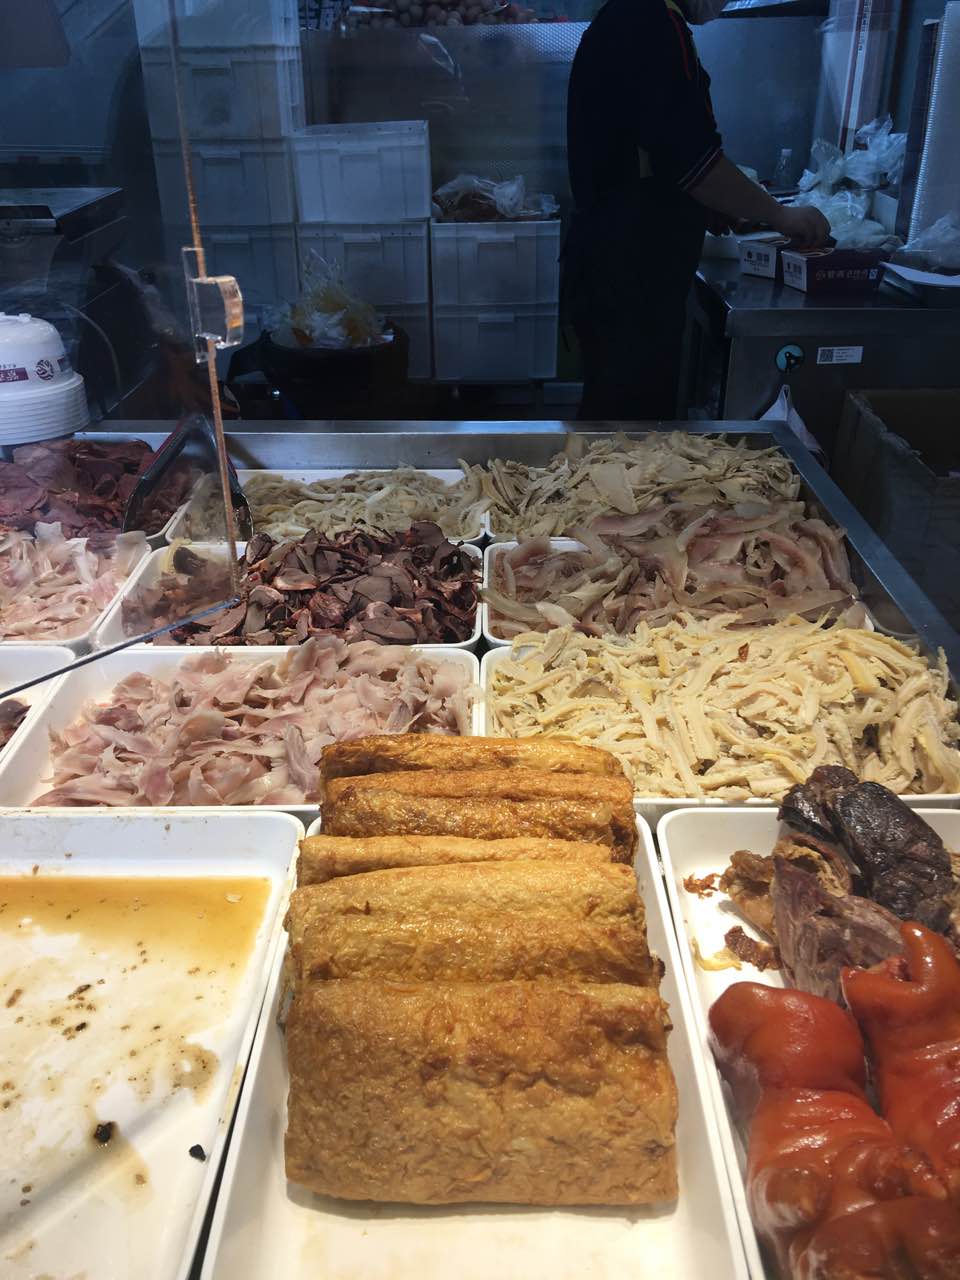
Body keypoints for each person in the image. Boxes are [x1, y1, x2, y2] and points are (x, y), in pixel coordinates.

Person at [565, 0, 831, 420]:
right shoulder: (647, 21)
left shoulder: (640, 17)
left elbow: (652, 153)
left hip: (623, 266)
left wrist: (711, 206)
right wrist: (781, 215)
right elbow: (694, 161)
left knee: (621, 413)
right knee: (626, 424)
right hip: (629, 274)